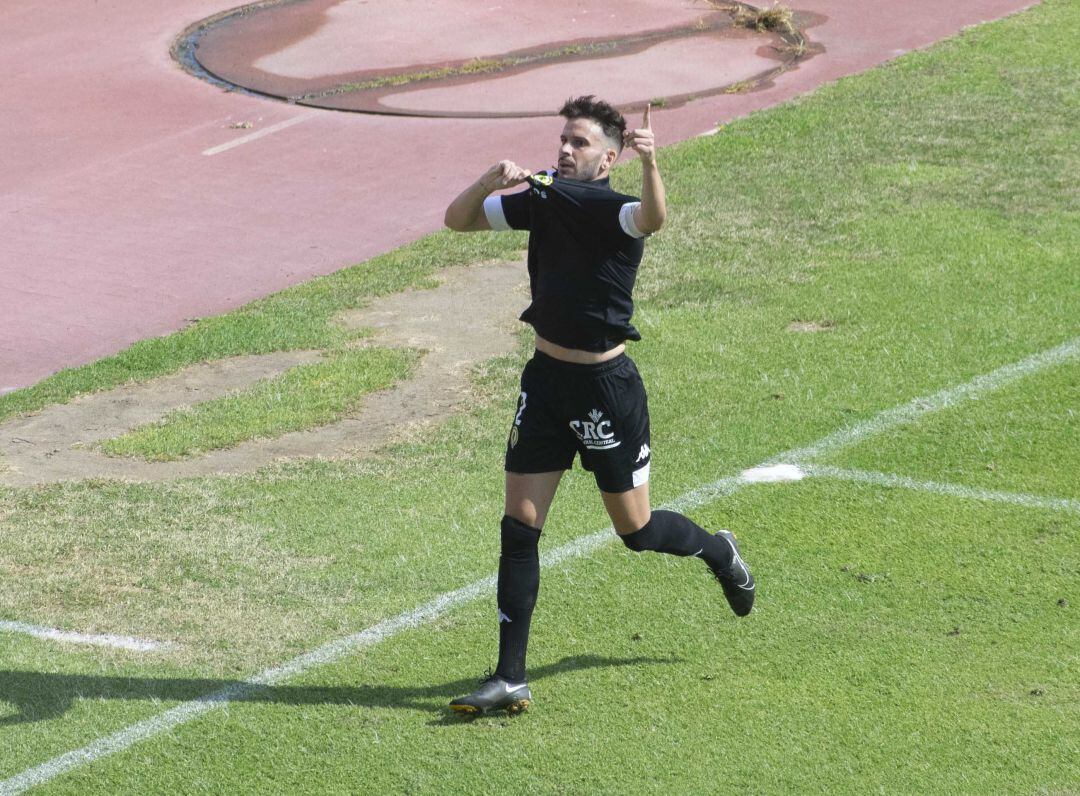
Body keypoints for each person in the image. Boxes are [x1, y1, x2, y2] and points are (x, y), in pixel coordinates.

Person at [443, 95, 754, 716]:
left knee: (635, 532)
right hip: (546, 384)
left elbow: (654, 218)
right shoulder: (543, 198)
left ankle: (718, 550)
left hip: (605, 390)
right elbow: (459, 222)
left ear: (608, 158)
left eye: (579, 143)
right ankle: (509, 677)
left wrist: (654, 164)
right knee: (519, 526)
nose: (564, 148)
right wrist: (488, 179)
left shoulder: (613, 211)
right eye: (563, 138)